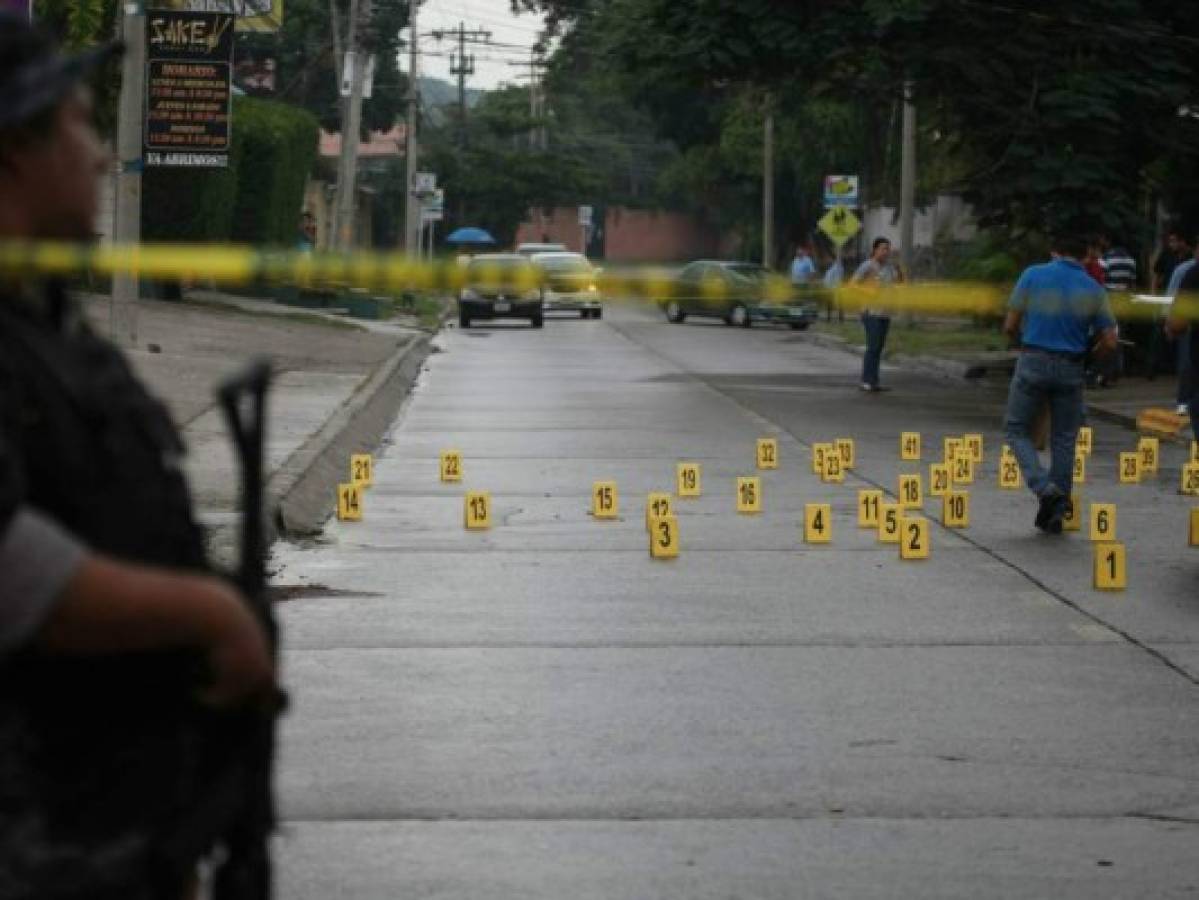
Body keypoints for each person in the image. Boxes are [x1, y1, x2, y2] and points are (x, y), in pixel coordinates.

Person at [0, 16, 275, 897]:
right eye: (78, 125)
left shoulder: (41, 327)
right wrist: (208, 615)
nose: (94, 153)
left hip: (102, 833)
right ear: (14, 152)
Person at [1003, 231, 1118, 532]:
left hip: (1033, 359)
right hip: (1072, 367)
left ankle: (1045, 490)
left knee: (1015, 428)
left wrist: (1022, 344)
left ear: (1055, 251)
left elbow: (1010, 324)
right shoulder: (1094, 288)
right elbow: (1110, 341)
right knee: (1064, 438)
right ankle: (1057, 509)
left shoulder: (1033, 274)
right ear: (1085, 256)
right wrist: (1088, 358)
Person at [852, 236, 903, 392]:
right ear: (875, 250)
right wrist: (867, 291)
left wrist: (899, 271)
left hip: (885, 312)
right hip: (871, 312)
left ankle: (874, 381)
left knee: (879, 348)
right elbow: (852, 284)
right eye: (883, 248)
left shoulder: (889, 268)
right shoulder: (867, 266)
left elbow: (898, 283)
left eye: (888, 249)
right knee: (873, 347)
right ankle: (866, 381)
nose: (886, 252)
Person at [1165, 234, 1199, 416]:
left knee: (1187, 363)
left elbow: (1177, 308)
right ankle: (1184, 399)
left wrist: (1171, 322)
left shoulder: (1192, 272)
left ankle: (1185, 400)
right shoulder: (1185, 270)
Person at [1152, 228, 1187, 294]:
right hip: (1166, 292)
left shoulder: (1190, 256)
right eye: (1170, 241)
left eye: (1173, 241)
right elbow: (1156, 274)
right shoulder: (1166, 254)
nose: (1171, 244)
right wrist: (1154, 293)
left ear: (1182, 241)